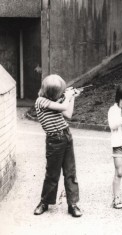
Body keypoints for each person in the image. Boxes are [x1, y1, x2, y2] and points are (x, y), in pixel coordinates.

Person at [34, 74, 82, 217]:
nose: (61, 94)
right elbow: (63, 106)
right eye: (59, 92)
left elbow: (68, 114)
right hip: (54, 141)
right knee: (52, 174)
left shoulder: (55, 101)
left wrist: (71, 96)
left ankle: (72, 204)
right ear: (51, 93)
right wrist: (67, 97)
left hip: (66, 136)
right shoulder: (41, 101)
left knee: (70, 172)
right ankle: (45, 202)